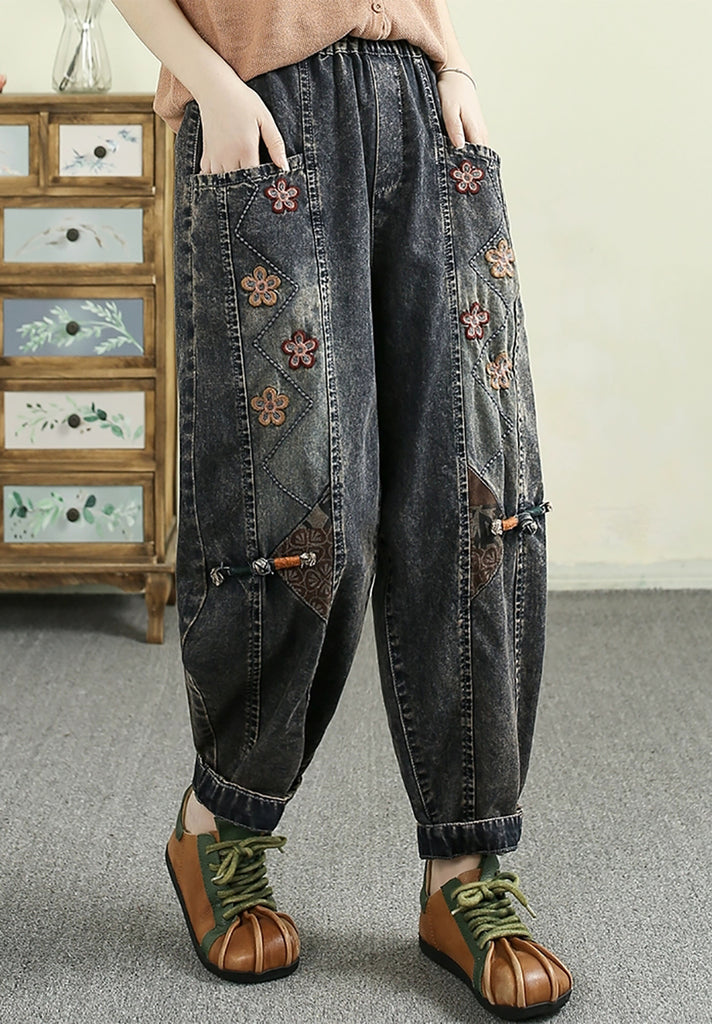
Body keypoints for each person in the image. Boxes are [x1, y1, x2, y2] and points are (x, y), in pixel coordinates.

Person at [111, 1, 573, 1018]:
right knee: (298, 510)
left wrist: (454, 64)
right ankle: (220, 825)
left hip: (419, 100)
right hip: (265, 106)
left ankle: (466, 867)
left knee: (473, 494)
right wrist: (213, 86)